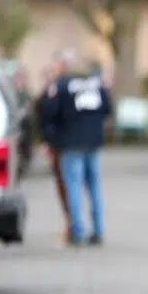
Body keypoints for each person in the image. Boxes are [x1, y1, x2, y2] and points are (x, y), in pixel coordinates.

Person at [40, 50, 112, 247]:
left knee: (73, 186)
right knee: (94, 186)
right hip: (93, 142)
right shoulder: (95, 83)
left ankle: (77, 231)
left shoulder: (62, 85)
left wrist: (49, 139)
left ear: (63, 66)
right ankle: (98, 230)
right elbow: (106, 108)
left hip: (70, 142)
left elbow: (50, 113)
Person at [35, 63, 72, 243]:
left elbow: (50, 118)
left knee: (66, 185)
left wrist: (48, 141)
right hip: (58, 143)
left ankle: (71, 226)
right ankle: (70, 224)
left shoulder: (57, 93)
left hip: (61, 144)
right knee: (64, 185)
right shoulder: (52, 93)